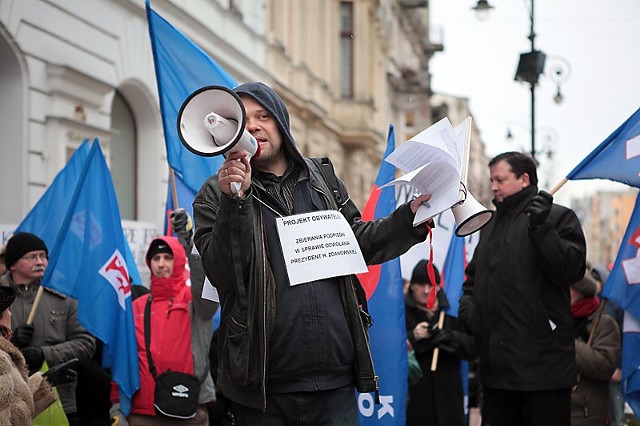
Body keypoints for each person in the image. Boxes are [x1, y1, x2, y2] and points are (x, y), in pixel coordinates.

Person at [192, 81, 432, 425]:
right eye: (243, 120)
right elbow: (224, 273)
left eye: (264, 116)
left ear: (281, 122)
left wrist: (409, 219)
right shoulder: (216, 195)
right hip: (263, 391)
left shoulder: (322, 178)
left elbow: (357, 242)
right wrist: (236, 202)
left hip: (333, 386)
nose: (254, 126)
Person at [459, 151, 587, 426]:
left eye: (500, 179)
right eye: (492, 179)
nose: (493, 186)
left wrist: (541, 229)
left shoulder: (558, 217)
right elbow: (472, 281)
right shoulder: (490, 225)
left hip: (543, 371)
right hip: (497, 373)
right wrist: (472, 315)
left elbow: (571, 269)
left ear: (524, 179)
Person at [110, 236, 217, 425]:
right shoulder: (135, 308)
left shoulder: (196, 304)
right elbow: (123, 360)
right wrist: (116, 407)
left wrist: (189, 245)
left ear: (179, 261)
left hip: (187, 411)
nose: (161, 264)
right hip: (142, 413)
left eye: (168, 257)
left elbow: (208, 280)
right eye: (156, 258)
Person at [0, 231, 95, 425]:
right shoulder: (2, 296)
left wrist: (44, 353)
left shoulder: (64, 298)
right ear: (13, 264)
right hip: (10, 404)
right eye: (31, 256)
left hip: (57, 398)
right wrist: (9, 342)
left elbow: (86, 343)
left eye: (43, 256)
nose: (40, 261)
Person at [405, 260, 474, 426]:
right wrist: (413, 336)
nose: (426, 290)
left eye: (431, 285)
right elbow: (390, 350)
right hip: (416, 403)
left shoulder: (453, 312)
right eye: (421, 285)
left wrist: (446, 336)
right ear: (412, 286)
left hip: (449, 401)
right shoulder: (401, 313)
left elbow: (472, 348)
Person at [0, 284, 79, 423]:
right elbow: (9, 419)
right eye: (6, 309)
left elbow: (14, 408)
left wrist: (45, 382)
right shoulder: (2, 361)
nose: (10, 314)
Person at [570, 271, 620, 425]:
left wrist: (566, 344)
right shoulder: (557, 319)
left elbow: (604, 365)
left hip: (586, 416)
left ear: (579, 293)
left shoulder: (604, 323)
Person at [589, 263, 625, 426]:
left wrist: (619, 367)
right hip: (594, 366)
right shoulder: (589, 303)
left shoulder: (616, 305)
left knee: (617, 416)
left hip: (613, 370)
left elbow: (623, 337)